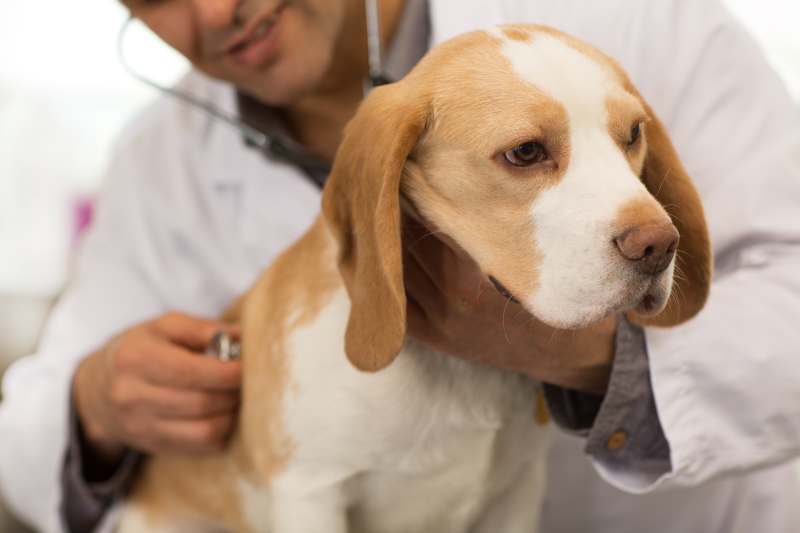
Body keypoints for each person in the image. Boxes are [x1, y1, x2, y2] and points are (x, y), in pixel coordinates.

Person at [1, 0, 800, 531]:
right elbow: (25, 441)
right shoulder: (156, 162)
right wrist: (97, 405)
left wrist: (590, 360)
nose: (216, 9)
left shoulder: (625, 21)